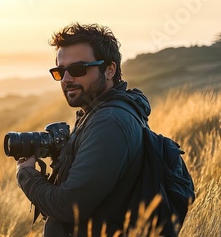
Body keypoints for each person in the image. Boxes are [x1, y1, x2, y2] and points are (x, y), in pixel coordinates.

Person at [16, 23, 152, 236]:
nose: (68, 79)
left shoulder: (110, 122)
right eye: (60, 72)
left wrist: (27, 176)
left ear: (109, 70)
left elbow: (70, 207)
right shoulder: (99, 113)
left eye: (78, 69)